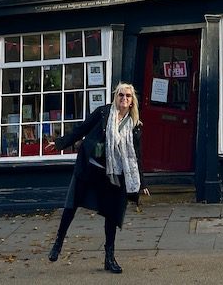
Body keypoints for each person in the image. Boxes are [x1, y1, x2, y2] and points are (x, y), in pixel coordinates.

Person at [47, 82, 149, 273]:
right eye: (120, 95)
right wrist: (60, 143)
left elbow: (136, 155)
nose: (123, 99)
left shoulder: (134, 126)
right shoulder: (103, 113)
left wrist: (141, 182)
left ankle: (109, 258)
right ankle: (58, 243)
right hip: (90, 166)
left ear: (132, 102)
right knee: (72, 205)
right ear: (115, 97)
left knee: (111, 213)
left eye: (127, 96)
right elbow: (82, 129)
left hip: (113, 173)